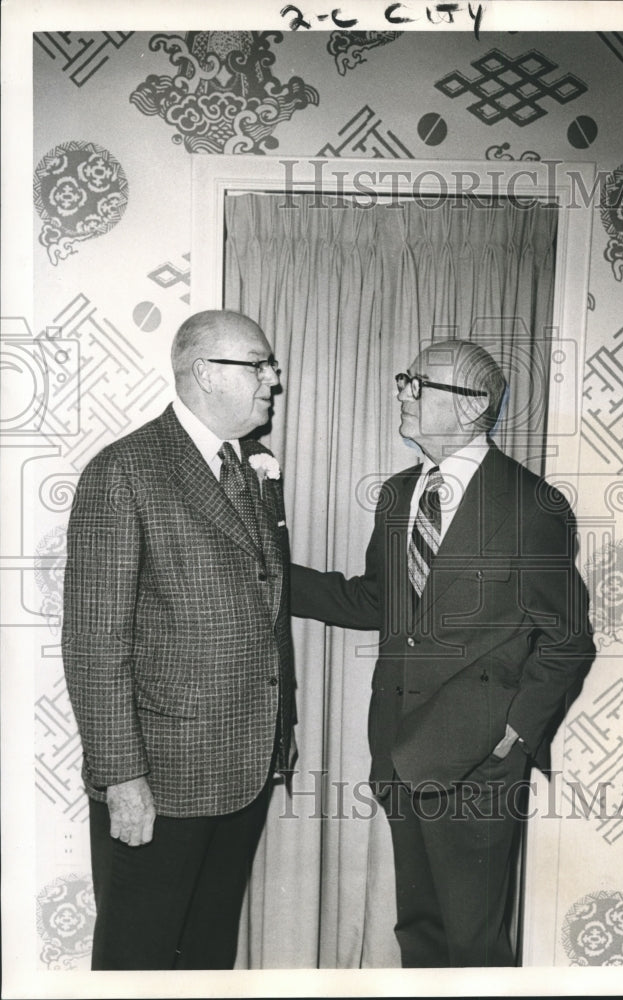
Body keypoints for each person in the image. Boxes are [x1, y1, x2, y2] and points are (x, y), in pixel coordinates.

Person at [291, 339, 596, 968]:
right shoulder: (399, 494)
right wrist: (269, 574)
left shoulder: (532, 505)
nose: (402, 391)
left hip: (481, 763)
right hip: (401, 748)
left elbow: (568, 639)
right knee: (421, 933)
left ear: (472, 407)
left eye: (416, 382)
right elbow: (379, 601)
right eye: (406, 380)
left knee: (475, 946)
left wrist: (514, 732)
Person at [62, 310, 295, 970]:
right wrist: (123, 777)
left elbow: (263, 605)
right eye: (258, 365)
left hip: (243, 767)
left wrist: (282, 726)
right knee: (137, 960)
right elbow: (93, 641)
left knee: (206, 956)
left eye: (270, 366)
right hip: (160, 780)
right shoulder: (125, 471)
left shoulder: (247, 468)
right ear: (202, 373)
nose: (273, 380)